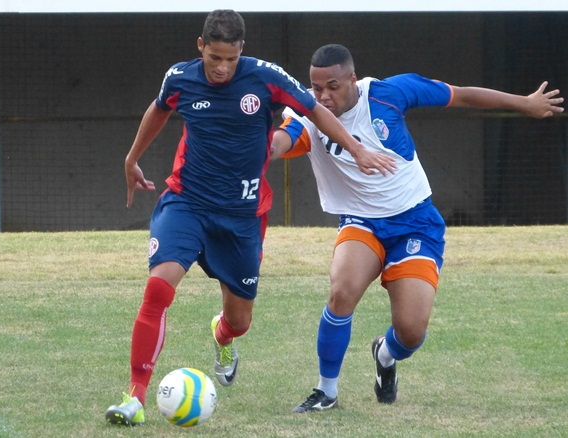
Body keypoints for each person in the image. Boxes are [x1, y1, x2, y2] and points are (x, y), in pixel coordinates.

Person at [105, 15, 396, 427]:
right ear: (200, 45)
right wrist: (131, 158)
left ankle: (222, 336)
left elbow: (313, 110)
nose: (222, 67)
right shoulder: (181, 78)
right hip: (187, 203)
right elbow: (158, 109)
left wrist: (357, 149)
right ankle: (133, 397)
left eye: (230, 57)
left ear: (242, 49)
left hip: (243, 217)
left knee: (239, 321)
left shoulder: (265, 78)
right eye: (214, 57)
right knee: (157, 288)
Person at [271, 44, 564, 413]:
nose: (323, 96)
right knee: (341, 291)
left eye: (332, 86)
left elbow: (461, 96)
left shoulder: (390, 93)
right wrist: (257, 148)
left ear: (351, 78)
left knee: (410, 332)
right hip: (361, 223)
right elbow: (282, 140)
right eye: (316, 88)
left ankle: (386, 353)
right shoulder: (307, 112)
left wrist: (525, 103)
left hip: (415, 223)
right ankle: (326, 391)